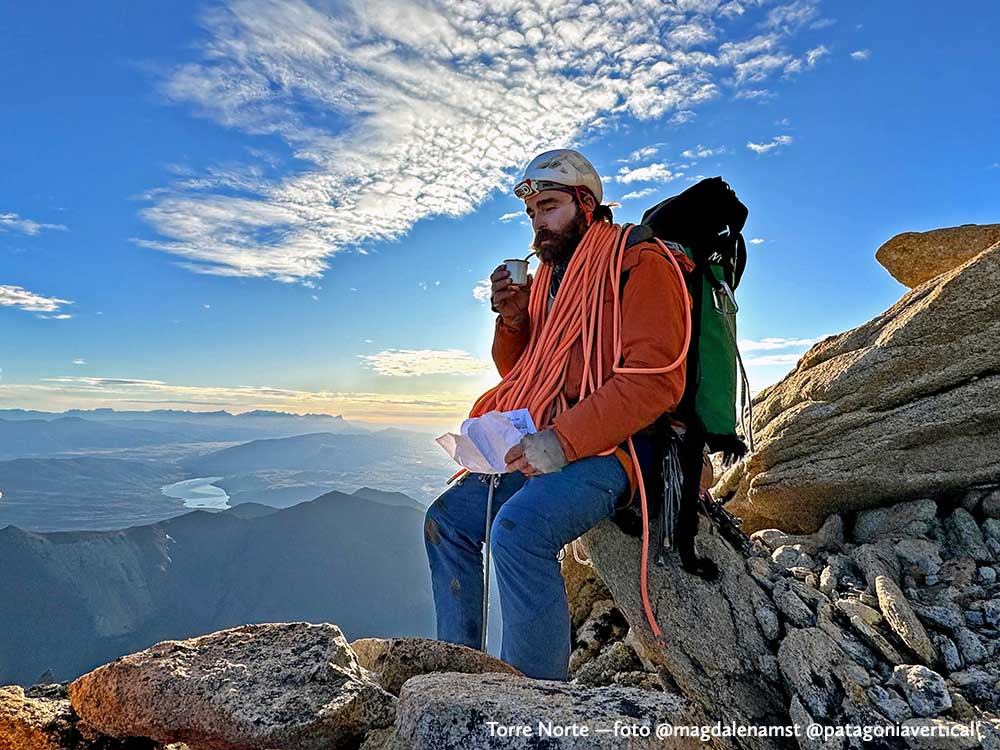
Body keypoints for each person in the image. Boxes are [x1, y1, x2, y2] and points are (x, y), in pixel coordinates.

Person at [423, 148, 693, 680]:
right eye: (532, 214)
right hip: (556, 431)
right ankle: (459, 675)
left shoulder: (640, 261)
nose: (538, 225)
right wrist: (514, 320)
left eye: (549, 207)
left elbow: (656, 379)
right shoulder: (551, 279)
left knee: (518, 531)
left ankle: (535, 702)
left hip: (627, 445)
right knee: (446, 521)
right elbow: (523, 371)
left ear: (586, 204)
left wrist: (563, 441)